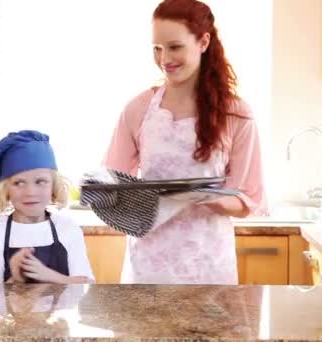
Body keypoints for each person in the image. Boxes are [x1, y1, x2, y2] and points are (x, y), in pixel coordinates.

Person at [103, 0, 266, 284]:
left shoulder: (235, 113)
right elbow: (111, 186)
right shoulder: (138, 109)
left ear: (203, 42)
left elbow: (248, 198)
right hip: (148, 267)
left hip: (208, 266)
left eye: (174, 47)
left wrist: (201, 196)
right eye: (157, 48)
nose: (164, 58)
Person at [0, 130, 94, 284]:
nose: (30, 192)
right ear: (6, 189)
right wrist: (16, 279)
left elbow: (86, 286)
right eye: (19, 183)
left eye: (40, 181)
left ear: (54, 185)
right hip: (11, 310)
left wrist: (48, 275)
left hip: (63, 310)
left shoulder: (68, 228)